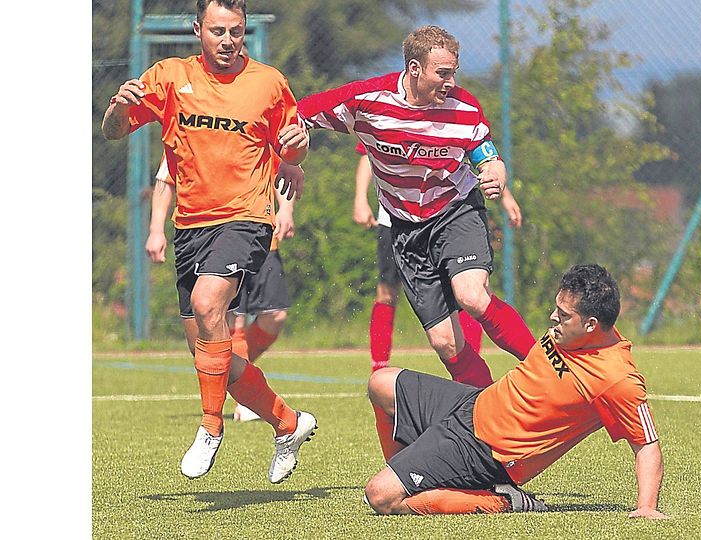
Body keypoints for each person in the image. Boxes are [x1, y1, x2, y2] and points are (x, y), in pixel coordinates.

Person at [104, 0, 315, 484]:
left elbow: (294, 145)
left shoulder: (268, 82)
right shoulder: (167, 76)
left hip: (246, 218)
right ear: (198, 29)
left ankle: (210, 427)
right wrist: (118, 106)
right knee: (213, 355)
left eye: (236, 32)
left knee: (208, 302)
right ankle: (288, 422)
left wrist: (296, 149)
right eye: (218, 31)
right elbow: (113, 132)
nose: (227, 40)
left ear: (245, 32)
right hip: (190, 226)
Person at [299, 25, 535, 389]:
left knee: (471, 295)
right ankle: (486, 405)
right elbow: (298, 114)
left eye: (453, 72)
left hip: (456, 210)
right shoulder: (367, 100)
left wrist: (495, 171)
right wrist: (288, 158)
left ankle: (546, 370)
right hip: (406, 228)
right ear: (414, 69)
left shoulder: (464, 106)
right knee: (444, 341)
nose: (450, 81)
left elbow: (487, 154)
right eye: (442, 73)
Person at [362, 264, 667, 518]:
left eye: (563, 314)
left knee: (380, 496)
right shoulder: (569, 335)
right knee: (381, 384)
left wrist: (646, 507)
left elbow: (646, 443)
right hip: (475, 403)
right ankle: (407, 472)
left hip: (487, 451)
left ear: (590, 325)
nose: (552, 318)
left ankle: (503, 500)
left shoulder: (617, 378)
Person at [148, 151, 298, 423]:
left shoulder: (249, 114)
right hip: (206, 238)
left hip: (255, 231)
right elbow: (165, 177)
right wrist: (156, 229)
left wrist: (285, 210)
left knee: (274, 316)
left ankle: (239, 385)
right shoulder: (185, 119)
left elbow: (281, 166)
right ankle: (239, 402)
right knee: (223, 326)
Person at [352, 145, 523, 373]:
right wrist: (360, 199)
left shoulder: (457, 111)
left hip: (450, 216)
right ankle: (379, 368)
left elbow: (479, 154)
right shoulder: (380, 112)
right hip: (397, 221)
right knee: (388, 294)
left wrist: (505, 195)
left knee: (470, 294)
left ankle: (537, 366)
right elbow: (367, 150)